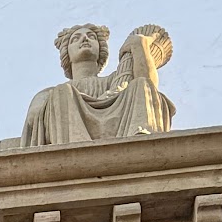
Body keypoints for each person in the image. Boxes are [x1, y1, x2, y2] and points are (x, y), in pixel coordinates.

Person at [20, 24, 174, 149]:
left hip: (122, 124)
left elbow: (149, 85)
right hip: (73, 143)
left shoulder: (116, 80)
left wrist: (139, 44)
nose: (85, 39)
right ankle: (78, 147)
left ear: (101, 50)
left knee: (140, 83)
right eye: (76, 38)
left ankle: (141, 139)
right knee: (62, 92)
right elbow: (34, 118)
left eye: (91, 36)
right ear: (66, 53)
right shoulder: (56, 93)